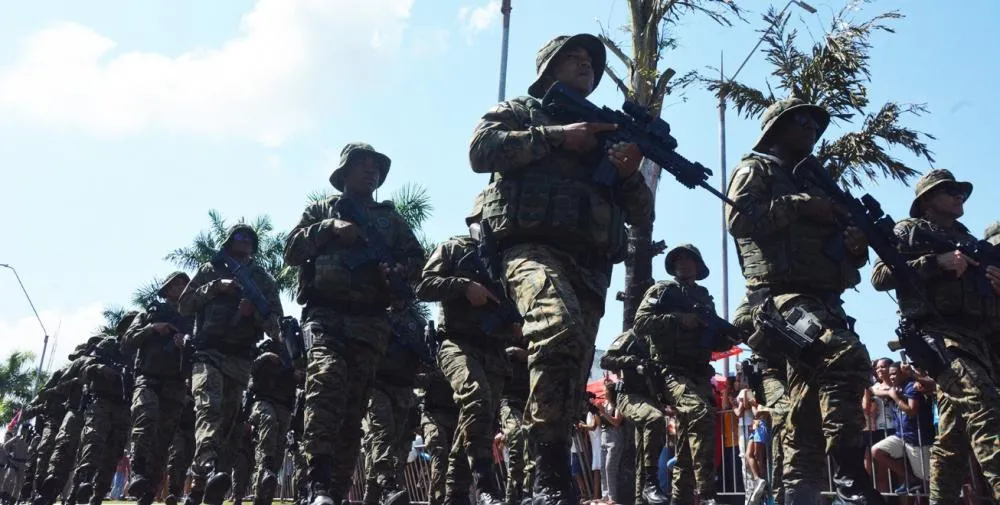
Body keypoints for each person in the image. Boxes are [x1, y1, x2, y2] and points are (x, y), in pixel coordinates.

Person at [468, 32, 653, 504]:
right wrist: (557, 138)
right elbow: (480, 151)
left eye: (590, 61)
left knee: (569, 371)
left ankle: (544, 478)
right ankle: (548, 479)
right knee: (558, 329)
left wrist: (629, 172)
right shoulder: (521, 112)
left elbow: (641, 214)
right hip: (530, 247)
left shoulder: (609, 131)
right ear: (548, 67)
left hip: (590, 265)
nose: (584, 65)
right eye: (572, 58)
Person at [727, 97, 881, 505]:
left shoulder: (821, 183)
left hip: (824, 301)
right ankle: (850, 476)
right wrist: (802, 205)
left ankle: (800, 496)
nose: (811, 129)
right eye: (801, 122)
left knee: (804, 412)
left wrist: (855, 245)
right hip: (776, 301)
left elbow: (854, 260)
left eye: (816, 125)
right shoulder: (755, 169)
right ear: (776, 128)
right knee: (843, 354)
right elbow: (739, 219)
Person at [284, 142, 425, 505]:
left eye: (376, 167)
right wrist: (329, 229)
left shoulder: (390, 221)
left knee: (352, 410)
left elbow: (417, 263)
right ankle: (314, 480)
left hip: (371, 324)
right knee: (325, 385)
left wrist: (396, 272)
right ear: (344, 171)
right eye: (362, 165)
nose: (370, 171)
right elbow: (291, 251)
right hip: (326, 315)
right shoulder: (320, 210)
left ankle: (333, 490)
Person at [871, 169, 1000, 502]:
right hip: (939, 335)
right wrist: (935, 262)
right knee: (985, 407)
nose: (959, 196)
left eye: (961, 191)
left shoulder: (972, 241)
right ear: (927, 199)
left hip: (980, 339)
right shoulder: (909, 232)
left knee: (953, 439)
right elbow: (881, 275)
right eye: (950, 191)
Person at [179, 225, 284, 505]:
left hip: (240, 358)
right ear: (229, 240)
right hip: (208, 352)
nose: (245, 241)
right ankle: (209, 468)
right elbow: (185, 305)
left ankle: (201, 487)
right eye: (239, 237)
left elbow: (276, 325)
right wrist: (216, 288)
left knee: (226, 423)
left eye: (250, 238)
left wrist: (255, 315)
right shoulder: (211, 269)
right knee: (208, 408)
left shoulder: (262, 279)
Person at [416, 232, 522, 505]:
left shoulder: (509, 259)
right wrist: (463, 286)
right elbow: (424, 286)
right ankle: (484, 483)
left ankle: (456, 494)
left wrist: (517, 326)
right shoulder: (454, 248)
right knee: (476, 401)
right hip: (458, 343)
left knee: (480, 420)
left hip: (495, 352)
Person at [633, 244, 729, 505]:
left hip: (699, 374)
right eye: (679, 259)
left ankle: (681, 499)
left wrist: (725, 338)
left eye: (689, 259)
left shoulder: (704, 297)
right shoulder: (662, 291)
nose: (683, 263)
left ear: (699, 267)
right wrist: (678, 318)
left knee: (688, 444)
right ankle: (708, 493)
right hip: (669, 371)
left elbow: (711, 342)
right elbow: (640, 324)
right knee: (700, 413)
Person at [122, 271, 193, 505]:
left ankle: (148, 491)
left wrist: (186, 344)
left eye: (185, 284)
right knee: (145, 419)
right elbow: (127, 342)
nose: (181, 287)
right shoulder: (148, 314)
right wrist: (153, 329)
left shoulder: (193, 319)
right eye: (176, 284)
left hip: (176, 386)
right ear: (167, 289)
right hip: (148, 379)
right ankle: (139, 471)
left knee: (163, 442)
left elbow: (204, 352)